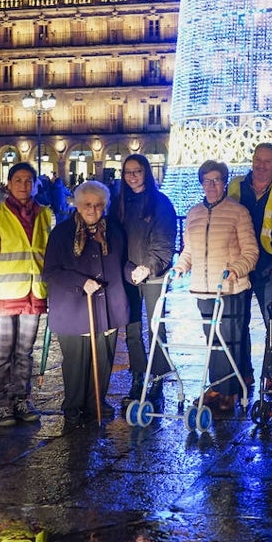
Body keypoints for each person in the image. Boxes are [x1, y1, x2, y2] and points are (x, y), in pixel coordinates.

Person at [44, 181, 133, 426]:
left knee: (103, 358)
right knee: (76, 361)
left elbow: (121, 263)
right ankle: (73, 405)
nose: (93, 210)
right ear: (78, 205)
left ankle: (97, 401)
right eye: (87, 205)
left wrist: (133, 272)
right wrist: (80, 282)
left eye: (98, 205)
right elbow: (50, 272)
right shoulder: (62, 233)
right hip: (74, 308)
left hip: (107, 308)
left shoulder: (113, 231)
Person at [0, 162, 53, 427]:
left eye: (29, 180)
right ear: (8, 184)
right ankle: (1, 402)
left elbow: (49, 254)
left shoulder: (44, 215)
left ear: (35, 184)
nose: (24, 185)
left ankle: (21, 398)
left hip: (33, 294)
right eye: (18, 180)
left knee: (25, 353)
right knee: (2, 354)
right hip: (3, 296)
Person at [174, 160, 258, 412]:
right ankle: (219, 386)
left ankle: (226, 392)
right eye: (207, 180)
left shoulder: (238, 211)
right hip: (203, 287)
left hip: (231, 287)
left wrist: (236, 269)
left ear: (224, 182)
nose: (211, 185)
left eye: (216, 180)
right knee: (212, 339)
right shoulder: (194, 213)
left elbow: (251, 251)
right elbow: (188, 250)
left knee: (229, 339)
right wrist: (180, 266)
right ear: (201, 183)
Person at [112, 153, 177, 411]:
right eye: (128, 172)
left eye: (137, 171)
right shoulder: (118, 204)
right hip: (126, 275)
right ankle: (138, 375)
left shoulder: (160, 203)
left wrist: (148, 267)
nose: (132, 176)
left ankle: (158, 378)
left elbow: (163, 241)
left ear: (146, 173)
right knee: (131, 329)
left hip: (154, 275)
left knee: (155, 328)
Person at [228, 143, 272, 391]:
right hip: (241, 264)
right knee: (238, 321)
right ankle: (244, 372)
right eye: (258, 160)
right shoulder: (236, 187)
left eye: (267, 161)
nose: (261, 165)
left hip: (269, 265)